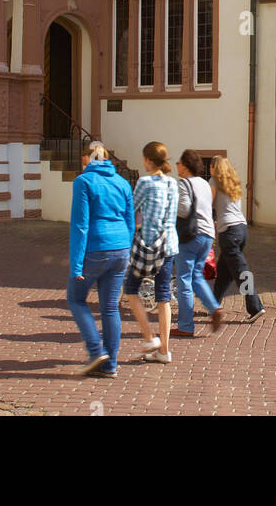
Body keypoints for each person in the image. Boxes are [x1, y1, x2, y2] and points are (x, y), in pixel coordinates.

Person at [66, 140, 135, 376]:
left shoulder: (83, 182)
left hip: (95, 248)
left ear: (87, 158)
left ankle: (96, 351)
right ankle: (110, 364)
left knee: (76, 299)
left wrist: (76, 265)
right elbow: (130, 221)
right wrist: (126, 248)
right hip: (120, 248)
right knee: (110, 308)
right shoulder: (122, 183)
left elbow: (80, 225)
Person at [123, 141, 179, 364]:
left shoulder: (145, 182)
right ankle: (164, 350)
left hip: (150, 244)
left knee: (131, 288)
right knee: (163, 296)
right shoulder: (173, 184)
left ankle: (149, 337)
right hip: (170, 244)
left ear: (148, 160)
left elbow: (131, 208)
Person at [209, 155, 264, 321]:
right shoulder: (234, 181)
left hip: (229, 232)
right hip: (241, 229)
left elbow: (208, 204)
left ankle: (255, 307)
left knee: (241, 271)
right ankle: (213, 304)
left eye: (210, 166)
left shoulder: (214, 181)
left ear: (214, 167)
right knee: (225, 271)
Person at [173, 149, 221, 337]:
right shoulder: (203, 183)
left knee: (184, 279)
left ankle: (185, 325)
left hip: (190, 234)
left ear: (185, 166)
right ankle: (214, 308)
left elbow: (184, 210)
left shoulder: (184, 183)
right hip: (208, 234)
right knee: (196, 276)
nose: (177, 166)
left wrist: (170, 207)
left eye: (178, 163)